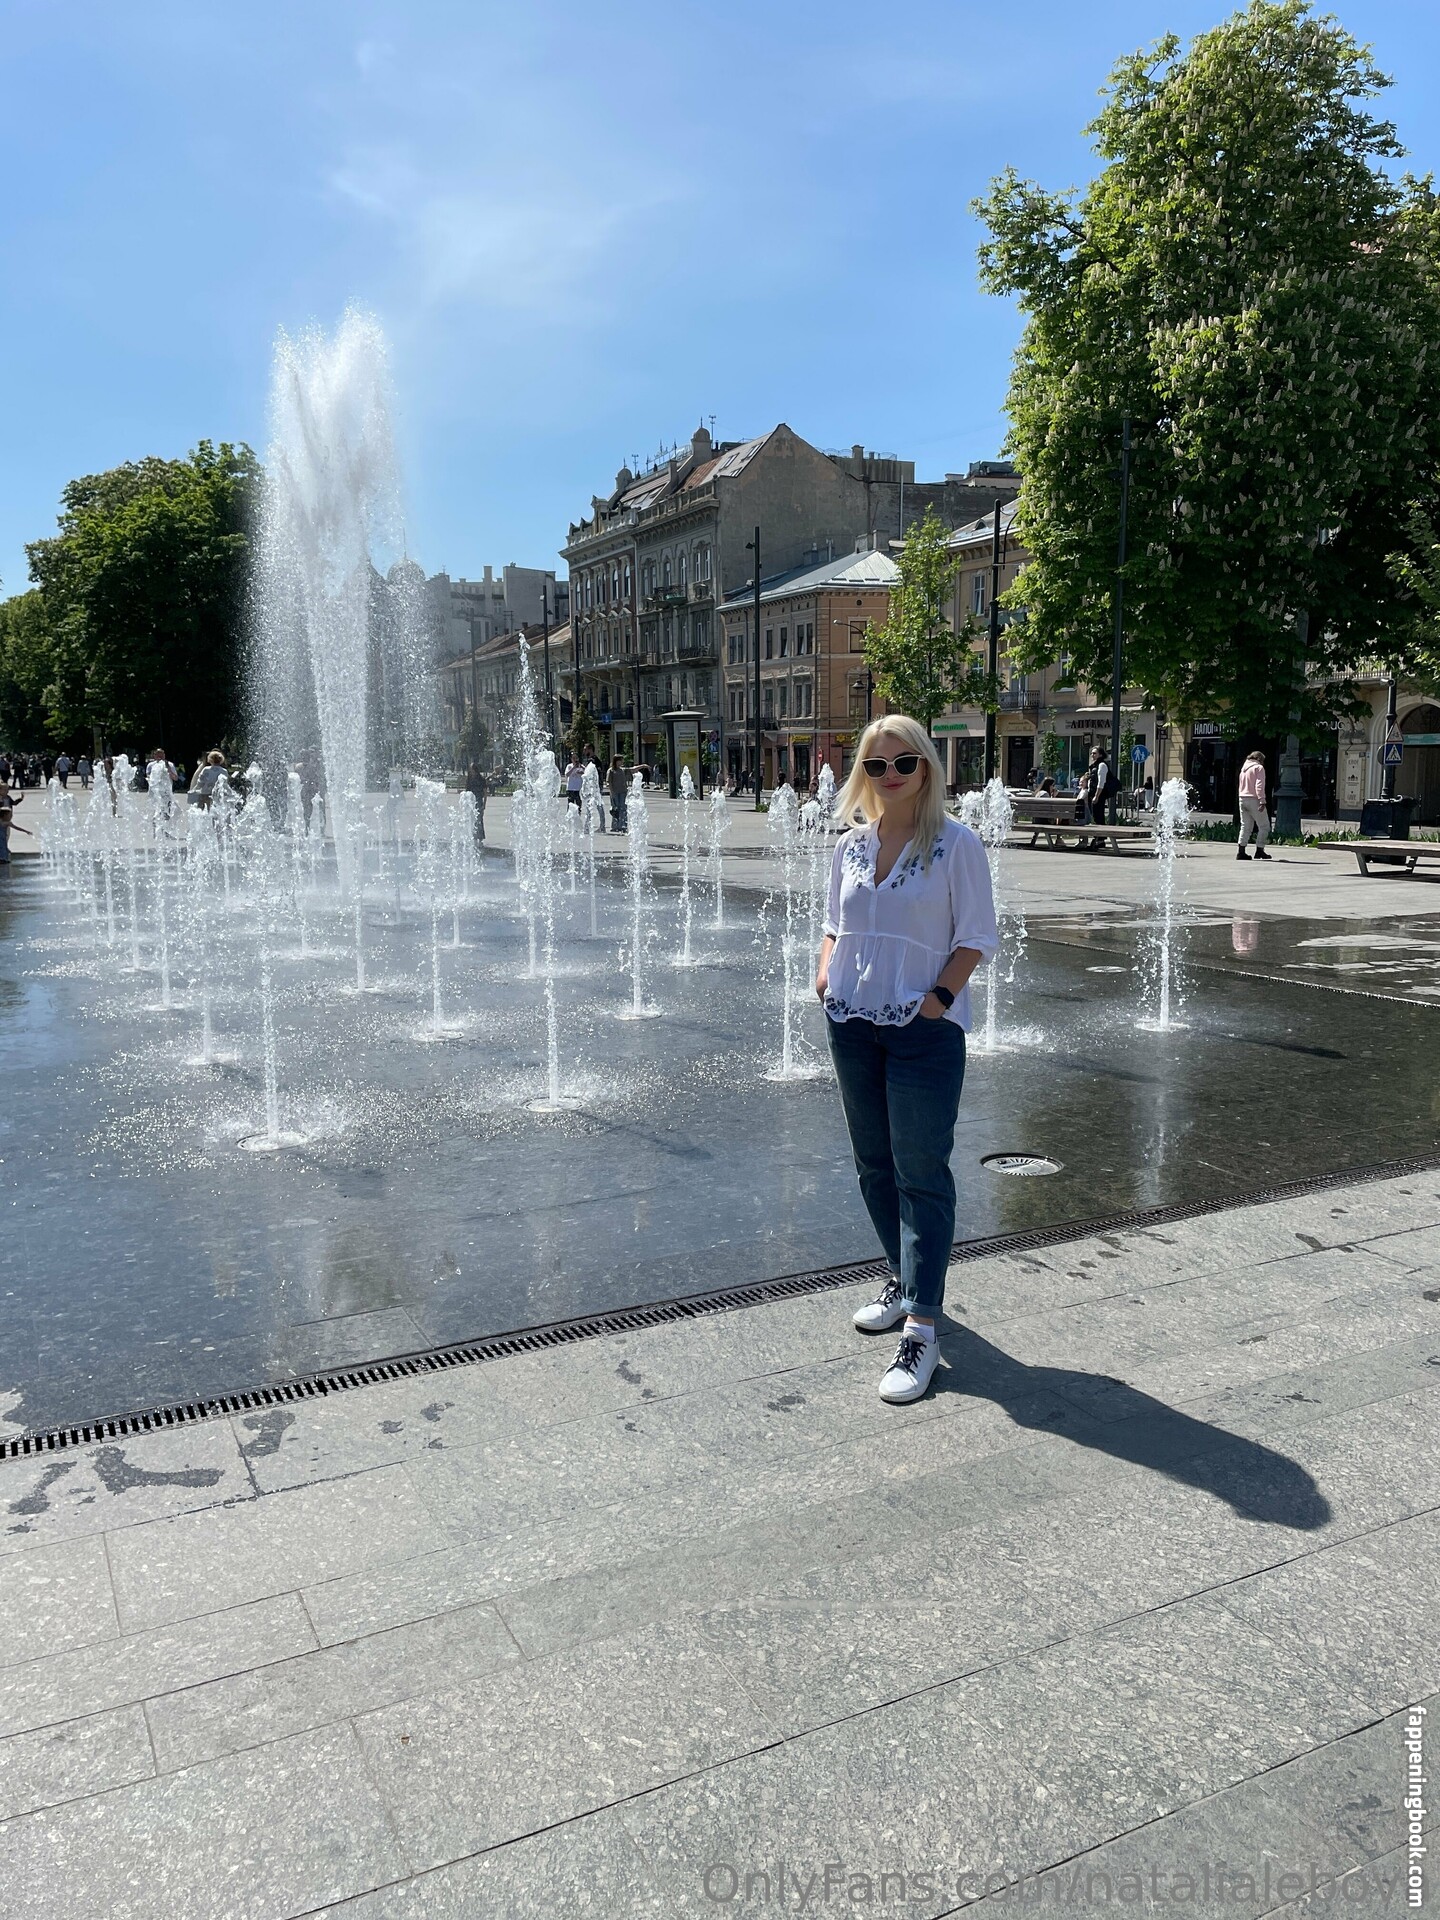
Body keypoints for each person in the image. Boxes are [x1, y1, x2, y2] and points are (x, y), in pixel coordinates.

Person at [816, 715, 999, 1406]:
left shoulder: (956, 845)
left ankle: (923, 1328)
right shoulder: (851, 846)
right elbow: (834, 922)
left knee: (921, 1172)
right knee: (874, 1163)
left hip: (923, 1030)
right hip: (851, 1022)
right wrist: (824, 972)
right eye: (875, 765)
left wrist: (938, 999)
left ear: (926, 767)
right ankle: (904, 1278)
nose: (889, 776)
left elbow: (976, 937)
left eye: (903, 763)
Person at [1238, 749, 1270, 860]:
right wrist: (1262, 800)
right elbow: (1259, 785)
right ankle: (1260, 850)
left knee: (1245, 826)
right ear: (1259, 759)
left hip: (1242, 798)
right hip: (1254, 799)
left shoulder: (1243, 769)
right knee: (1264, 826)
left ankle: (1241, 851)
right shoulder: (1259, 768)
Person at [1086, 746, 1112, 848]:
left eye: (1094, 753)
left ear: (1100, 755)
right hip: (1092, 794)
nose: (1092, 755)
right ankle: (1098, 838)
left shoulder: (1102, 765)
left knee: (1099, 817)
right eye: (1092, 753)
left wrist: (1096, 796)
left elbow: (1101, 782)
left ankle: (1100, 839)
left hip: (1099, 795)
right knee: (1095, 817)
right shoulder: (1094, 765)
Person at [464, 762, 487, 845]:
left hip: (479, 800)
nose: (471, 771)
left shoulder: (481, 779)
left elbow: (485, 792)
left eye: (472, 769)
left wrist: (484, 804)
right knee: (473, 820)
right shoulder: (469, 779)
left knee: (479, 819)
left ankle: (480, 837)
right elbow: (467, 791)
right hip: (471, 801)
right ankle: (474, 837)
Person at [607, 756, 628, 833]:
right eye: (621, 760)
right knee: (616, 809)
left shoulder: (622, 770)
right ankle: (615, 826)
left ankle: (623, 825)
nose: (622, 762)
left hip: (623, 792)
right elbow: (609, 782)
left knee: (623, 808)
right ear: (616, 761)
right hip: (615, 792)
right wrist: (612, 792)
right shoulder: (611, 771)